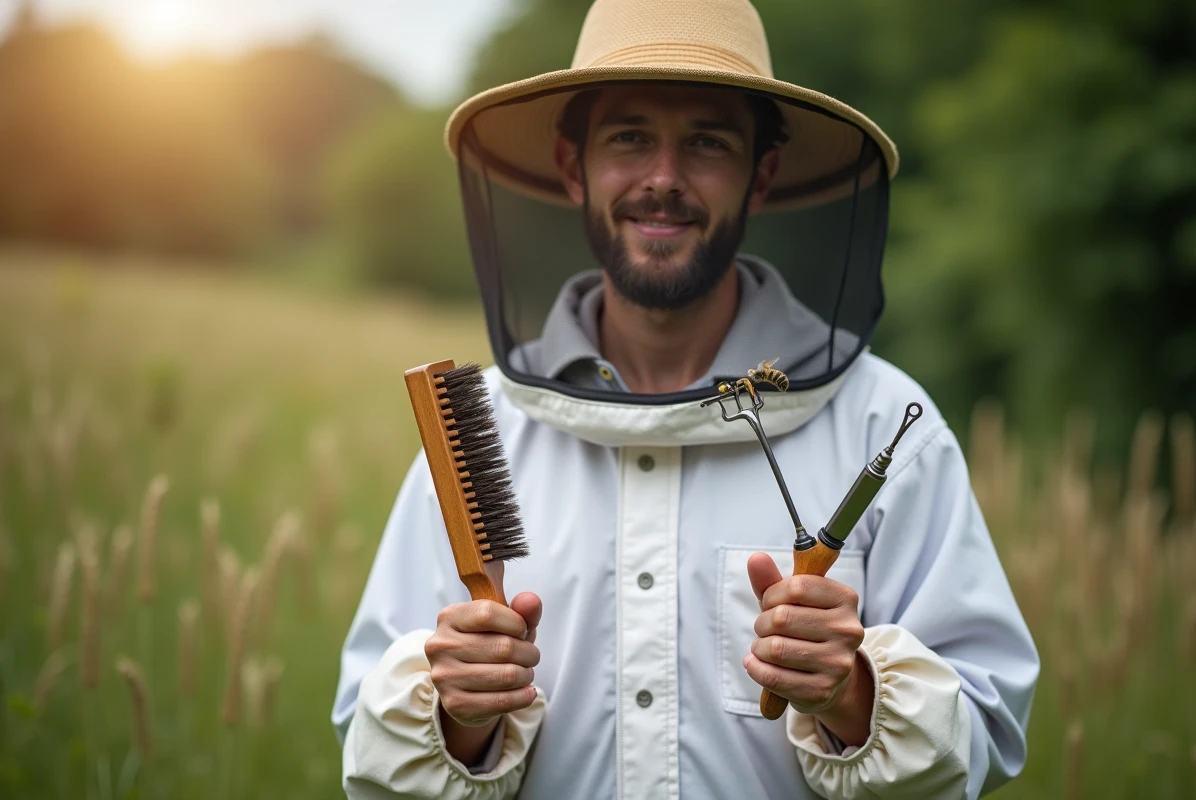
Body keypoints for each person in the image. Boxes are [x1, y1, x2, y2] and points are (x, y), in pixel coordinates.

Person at [332, 0, 1039, 797]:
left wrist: (856, 695)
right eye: (629, 137)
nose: (663, 180)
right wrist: (459, 718)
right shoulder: (476, 435)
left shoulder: (883, 425)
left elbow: (986, 729)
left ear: (759, 177)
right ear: (573, 168)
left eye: (707, 142)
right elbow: (372, 750)